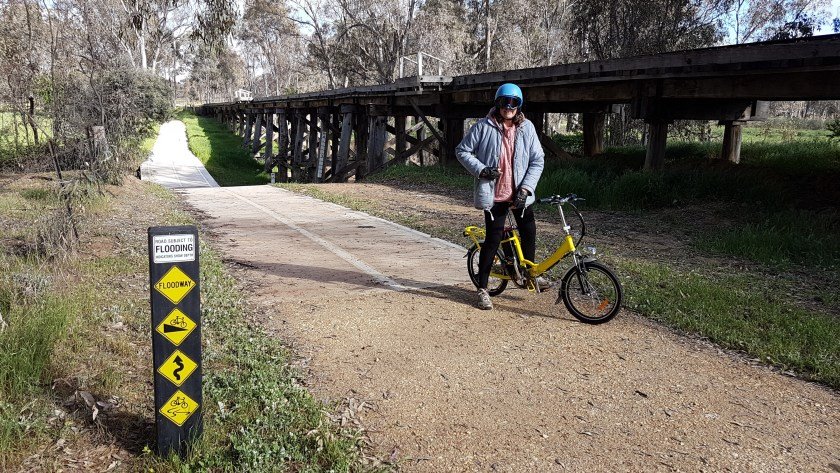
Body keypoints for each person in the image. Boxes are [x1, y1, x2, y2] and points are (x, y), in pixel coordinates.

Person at [456, 83, 545, 310]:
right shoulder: (483, 127)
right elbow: (462, 150)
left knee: (529, 232)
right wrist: (482, 170)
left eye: (514, 102)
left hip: (520, 194)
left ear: (519, 105)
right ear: (497, 103)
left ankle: (529, 274)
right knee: (493, 240)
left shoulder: (527, 128)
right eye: (505, 102)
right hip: (495, 195)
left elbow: (537, 159)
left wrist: (526, 189)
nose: (509, 107)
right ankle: (483, 289)